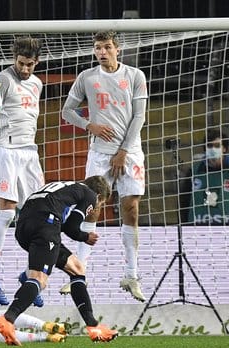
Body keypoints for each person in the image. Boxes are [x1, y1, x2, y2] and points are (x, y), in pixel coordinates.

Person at [61, 30, 148, 302]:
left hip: (129, 152)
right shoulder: (87, 78)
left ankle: (131, 275)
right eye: (98, 47)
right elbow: (67, 111)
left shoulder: (134, 76)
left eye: (107, 47)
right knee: (91, 209)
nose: (102, 52)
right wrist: (90, 125)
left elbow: (140, 116)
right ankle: (78, 271)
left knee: (130, 208)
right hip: (99, 154)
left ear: (117, 49)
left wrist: (123, 150)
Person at [0, 176, 118, 345]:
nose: (96, 208)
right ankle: (8, 319)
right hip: (46, 225)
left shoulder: (62, 186)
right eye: (99, 205)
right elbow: (73, 228)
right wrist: (85, 236)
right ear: (99, 197)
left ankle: (93, 326)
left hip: (23, 227)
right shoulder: (90, 194)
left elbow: (65, 227)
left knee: (77, 268)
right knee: (39, 279)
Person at [0, 37, 46, 307]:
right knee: (6, 211)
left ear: (36, 62)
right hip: (4, 146)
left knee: (39, 215)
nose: (24, 69)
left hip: (29, 151)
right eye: (20, 63)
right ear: (13, 57)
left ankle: (31, 275)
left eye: (29, 64)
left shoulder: (37, 84)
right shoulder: (0, 80)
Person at [187, 129, 229, 225]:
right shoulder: (194, 171)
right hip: (198, 228)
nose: (213, 149)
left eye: (217, 146)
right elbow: (184, 201)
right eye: (209, 146)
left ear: (224, 149)